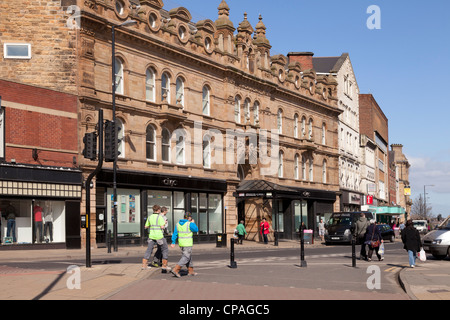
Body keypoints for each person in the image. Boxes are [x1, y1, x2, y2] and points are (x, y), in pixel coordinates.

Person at [142, 205, 171, 272]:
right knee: (165, 249)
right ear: (158, 210)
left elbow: (146, 226)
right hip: (159, 236)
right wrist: (164, 223)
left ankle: (144, 265)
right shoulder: (160, 217)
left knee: (149, 250)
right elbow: (162, 227)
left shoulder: (149, 217)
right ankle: (164, 266)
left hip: (151, 236)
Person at [171, 212, 199, 277]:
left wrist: (173, 242)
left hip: (181, 243)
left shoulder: (177, 224)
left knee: (189, 257)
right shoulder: (189, 224)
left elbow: (175, 233)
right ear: (189, 217)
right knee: (186, 257)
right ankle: (176, 269)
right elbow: (196, 229)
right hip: (187, 243)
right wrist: (193, 223)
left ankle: (190, 271)